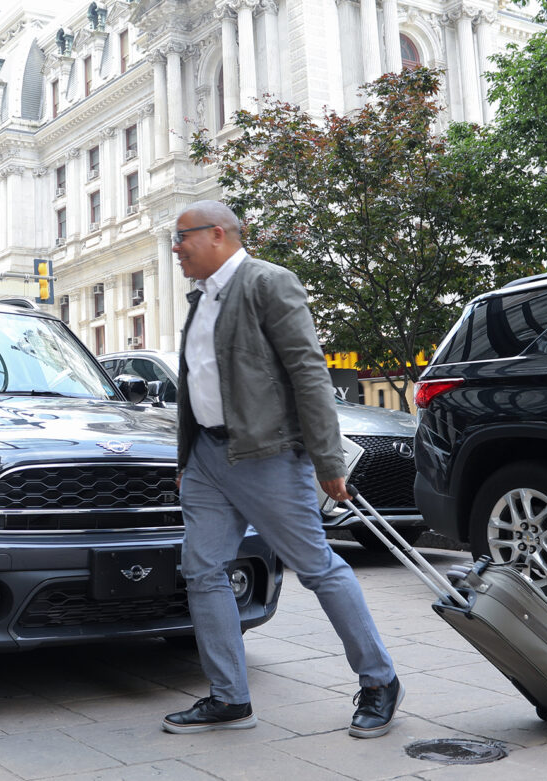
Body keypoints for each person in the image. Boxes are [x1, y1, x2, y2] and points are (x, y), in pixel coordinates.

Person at [162, 201, 402, 738]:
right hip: (206, 459)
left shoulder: (268, 282)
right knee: (202, 572)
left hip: (267, 455)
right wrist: (187, 460)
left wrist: (328, 460)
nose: (176, 248)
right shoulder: (201, 297)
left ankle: (380, 679)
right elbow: (197, 383)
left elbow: (308, 372)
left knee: (317, 567)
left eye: (182, 237)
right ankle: (229, 697)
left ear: (217, 234)